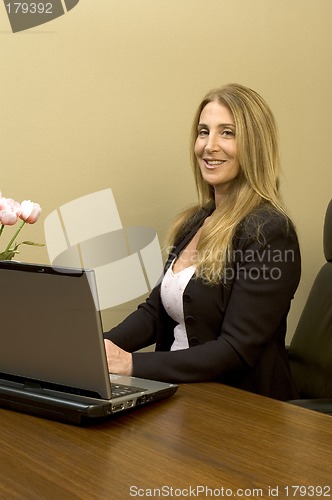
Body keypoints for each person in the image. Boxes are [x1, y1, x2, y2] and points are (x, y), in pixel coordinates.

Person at [103, 83, 301, 401]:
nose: (209, 146)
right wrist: (98, 348)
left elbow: (235, 350)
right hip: (176, 392)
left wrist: (130, 364)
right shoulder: (195, 221)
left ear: (256, 145)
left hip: (237, 407)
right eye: (203, 131)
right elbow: (155, 313)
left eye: (227, 133)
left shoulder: (271, 233)